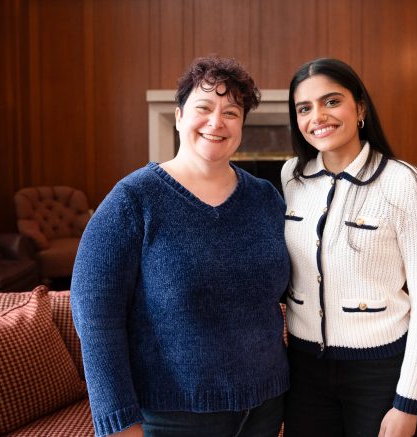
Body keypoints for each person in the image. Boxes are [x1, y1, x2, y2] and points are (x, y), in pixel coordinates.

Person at [71, 56, 290, 437]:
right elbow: (95, 316)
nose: (216, 122)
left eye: (232, 112)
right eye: (203, 107)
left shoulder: (266, 198)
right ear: (177, 116)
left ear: (242, 125)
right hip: (173, 415)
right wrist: (118, 422)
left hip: (266, 408)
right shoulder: (133, 199)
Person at [280, 58, 417, 437]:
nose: (317, 116)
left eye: (331, 101)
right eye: (304, 108)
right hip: (304, 369)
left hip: (379, 371)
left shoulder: (405, 182)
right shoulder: (292, 177)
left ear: (361, 109)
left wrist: (408, 403)